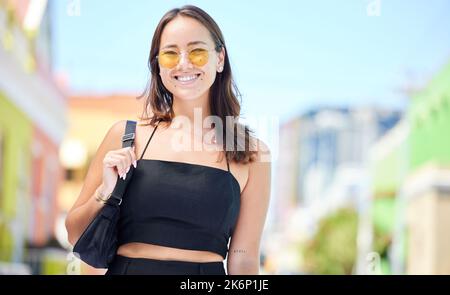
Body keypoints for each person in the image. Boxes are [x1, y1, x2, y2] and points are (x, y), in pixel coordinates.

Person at [65, 5, 271, 275]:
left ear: (219, 59)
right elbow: (74, 235)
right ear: (158, 65)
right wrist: (105, 192)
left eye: (197, 52)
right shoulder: (126, 137)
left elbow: (244, 259)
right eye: (171, 54)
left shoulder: (252, 155)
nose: (183, 63)